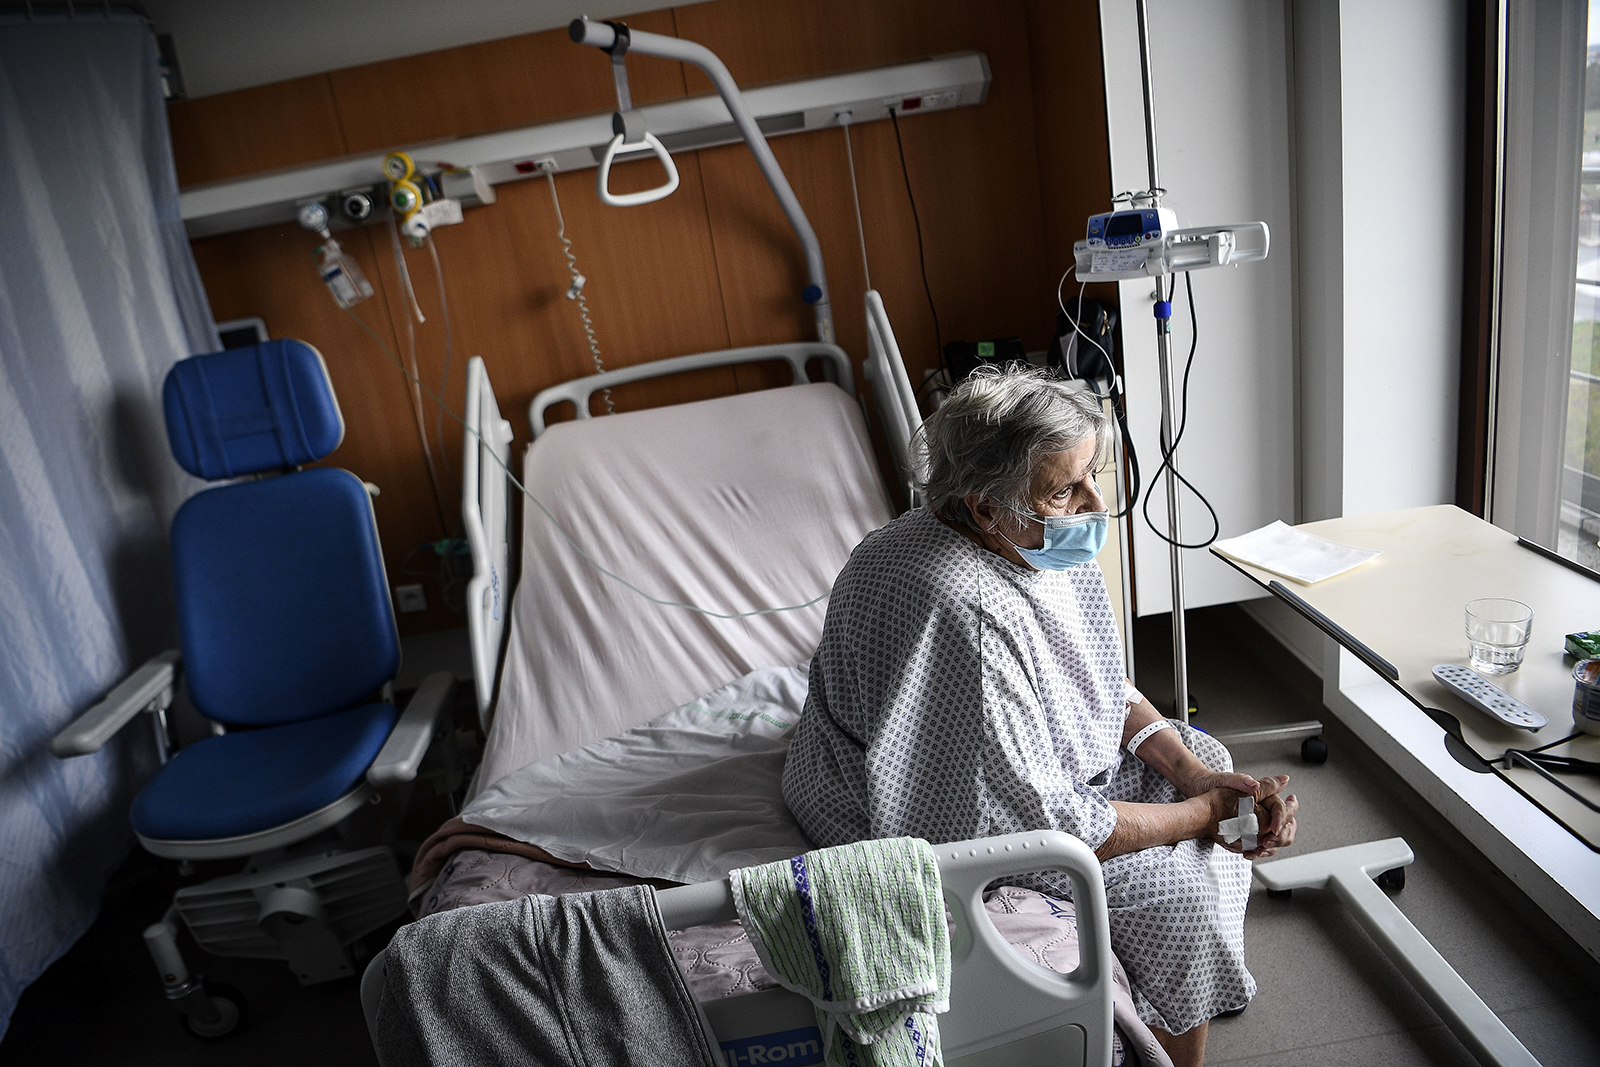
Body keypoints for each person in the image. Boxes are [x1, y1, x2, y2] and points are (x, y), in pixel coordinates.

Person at [782, 363, 1299, 1067]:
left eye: (1092, 474)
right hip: (915, 809)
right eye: (1066, 488)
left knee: (1211, 757)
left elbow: (1097, 681)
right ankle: (1180, 1033)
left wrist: (1193, 772)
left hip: (1021, 757)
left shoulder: (1035, 534)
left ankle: (1190, 976)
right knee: (1179, 889)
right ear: (985, 506)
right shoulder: (960, 606)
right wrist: (1206, 814)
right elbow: (1050, 825)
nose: (1094, 502)